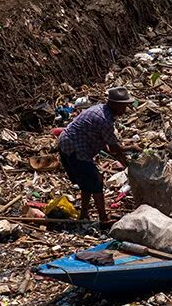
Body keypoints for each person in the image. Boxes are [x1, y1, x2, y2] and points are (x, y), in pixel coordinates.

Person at [58, 87, 135, 225]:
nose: (125, 109)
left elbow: (109, 147)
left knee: (86, 182)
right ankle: (103, 219)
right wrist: (131, 148)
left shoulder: (102, 110)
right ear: (115, 104)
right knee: (96, 180)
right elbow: (114, 148)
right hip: (74, 147)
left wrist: (127, 165)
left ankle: (83, 215)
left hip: (74, 144)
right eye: (123, 106)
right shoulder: (104, 119)